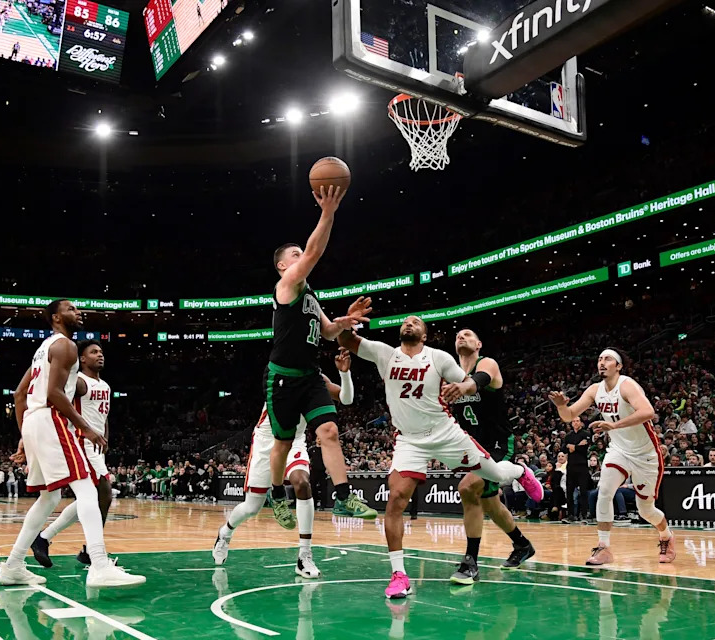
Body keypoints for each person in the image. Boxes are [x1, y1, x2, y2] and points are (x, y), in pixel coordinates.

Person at [338, 315, 543, 599]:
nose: (409, 323)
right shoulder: (387, 354)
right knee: (399, 498)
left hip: (462, 436)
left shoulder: (451, 360)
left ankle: (519, 472)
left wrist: (465, 386)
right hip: (410, 440)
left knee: (482, 482)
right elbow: (345, 339)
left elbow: (475, 382)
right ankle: (400, 574)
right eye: (406, 321)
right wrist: (348, 321)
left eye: (416, 322)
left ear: (425, 335)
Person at [0, 300, 143, 588]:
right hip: (51, 419)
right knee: (87, 490)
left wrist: (25, 435)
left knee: (49, 498)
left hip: (34, 421)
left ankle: (13, 564)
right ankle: (99, 565)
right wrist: (84, 427)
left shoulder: (42, 350)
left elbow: (19, 395)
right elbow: (53, 393)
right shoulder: (65, 346)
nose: (79, 313)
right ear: (56, 317)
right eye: (71, 309)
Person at [265, 185, 375, 528]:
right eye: (295, 255)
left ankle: (344, 497)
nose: (302, 257)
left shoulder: (309, 292)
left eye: (300, 254)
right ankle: (277, 493)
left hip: (310, 374)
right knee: (283, 443)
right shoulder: (286, 286)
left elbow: (327, 331)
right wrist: (327, 212)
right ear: (283, 266)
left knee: (328, 430)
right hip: (283, 376)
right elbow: (313, 252)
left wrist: (346, 319)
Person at [212, 350, 356, 578]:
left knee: (302, 483)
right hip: (267, 441)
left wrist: (344, 374)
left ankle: (304, 556)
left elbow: (346, 398)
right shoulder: (279, 372)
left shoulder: (315, 379)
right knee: (252, 507)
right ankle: (225, 533)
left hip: (295, 440)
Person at [549, 347, 675, 566]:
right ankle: (604, 547)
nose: (601, 362)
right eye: (599, 358)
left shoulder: (627, 385)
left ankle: (666, 535)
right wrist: (561, 406)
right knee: (604, 492)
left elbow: (648, 412)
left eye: (607, 359)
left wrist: (613, 425)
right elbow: (570, 415)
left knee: (646, 510)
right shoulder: (595, 390)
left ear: (618, 366)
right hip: (618, 450)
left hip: (645, 453)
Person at [445, 329, 536, 584]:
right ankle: (522, 545)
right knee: (491, 505)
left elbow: (477, 382)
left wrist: (461, 387)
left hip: (498, 444)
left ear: (479, 343)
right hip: (471, 446)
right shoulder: (450, 373)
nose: (461, 337)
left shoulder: (487, 363)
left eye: (467, 334)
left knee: (468, 488)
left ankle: (470, 562)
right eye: (457, 335)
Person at [30, 341, 113, 567]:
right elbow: (56, 395)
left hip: (96, 446)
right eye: (94, 352)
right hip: (80, 441)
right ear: (82, 359)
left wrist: (105, 437)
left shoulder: (105, 386)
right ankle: (91, 551)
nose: (99, 355)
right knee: (104, 493)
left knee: (90, 498)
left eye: (101, 352)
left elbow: (103, 416)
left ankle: (44, 538)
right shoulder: (78, 382)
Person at [564, 416, 591, 522]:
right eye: (573, 421)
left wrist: (573, 447)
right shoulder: (568, 436)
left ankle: (584, 514)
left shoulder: (586, 434)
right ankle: (570, 515)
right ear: (571, 423)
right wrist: (577, 446)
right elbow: (564, 449)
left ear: (581, 423)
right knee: (569, 491)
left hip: (582, 466)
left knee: (583, 491)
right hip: (571, 466)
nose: (575, 423)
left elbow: (584, 449)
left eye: (577, 421)